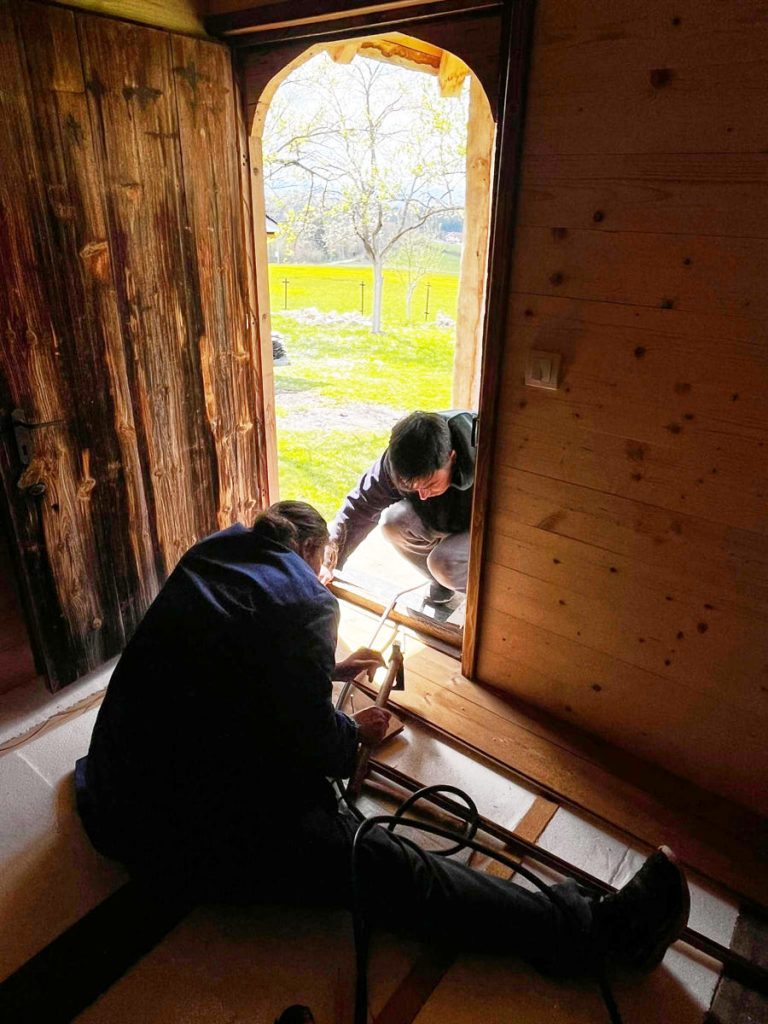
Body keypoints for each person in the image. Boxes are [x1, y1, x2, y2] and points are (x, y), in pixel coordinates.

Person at [75, 501, 690, 984]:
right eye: (323, 568)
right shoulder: (305, 600)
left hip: (111, 784)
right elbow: (327, 751)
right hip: (167, 834)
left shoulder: (216, 554)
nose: (323, 579)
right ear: (313, 550)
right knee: (389, 868)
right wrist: (351, 731)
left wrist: (321, 673)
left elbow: (231, 662)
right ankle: (594, 934)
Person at [324, 410, 476, 605]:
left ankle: (487, 601)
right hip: (447, 516)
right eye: (414, 487)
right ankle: (442, 581)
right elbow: (358, 508)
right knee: (393, 523)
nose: (423, 495)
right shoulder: (396, 465)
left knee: (445, 562)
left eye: (430, 484)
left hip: (487, 524)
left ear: (452, 458)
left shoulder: (484, 452)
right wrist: (329, 562)